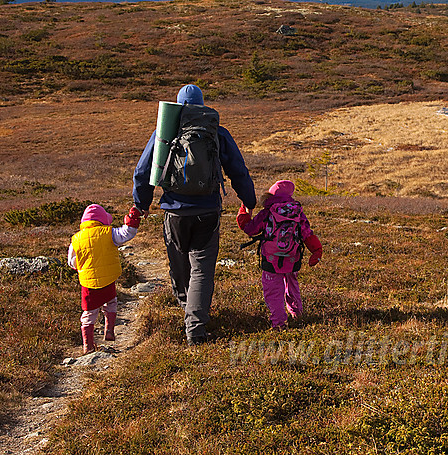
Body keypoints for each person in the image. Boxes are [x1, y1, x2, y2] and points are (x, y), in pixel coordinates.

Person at [133, 84, 256, 345]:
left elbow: (143, 172)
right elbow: (238, 169)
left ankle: (187, 309)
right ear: (202, 104)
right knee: (202, 270)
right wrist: (249, 200)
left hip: (174, 212)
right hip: (208, 210)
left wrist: (141, 204)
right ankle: (195, 330)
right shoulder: (216, 132)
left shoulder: (164, 132)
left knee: (180, 266)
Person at [236, 180, 322, 329]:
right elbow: (307, 233)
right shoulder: (297, 211)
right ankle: (297, 315)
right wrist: (316, 250)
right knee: (292, 285)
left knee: (273, 291)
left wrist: (243, 213)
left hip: (271, 259)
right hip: (292, 257)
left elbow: (250, 229)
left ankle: (279, 323)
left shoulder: (268, 211)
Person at [68, 204, 143, 354]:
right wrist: (133, 219)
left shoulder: (76, 239)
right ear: (103, 220)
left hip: (88, 283)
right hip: (108, 279)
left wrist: (82, 267)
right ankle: (109, 330)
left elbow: (72, 262)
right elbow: (127, 233)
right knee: (111, 302)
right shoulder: (109, 233)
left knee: (89, 313)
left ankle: (87, 345)